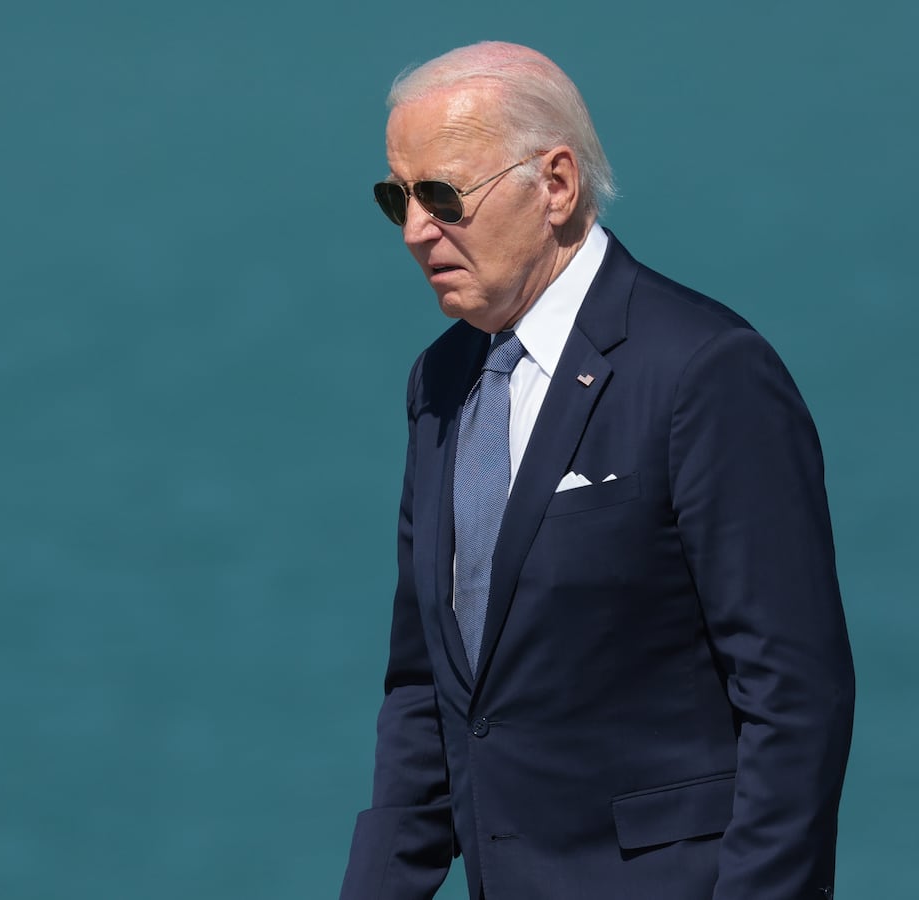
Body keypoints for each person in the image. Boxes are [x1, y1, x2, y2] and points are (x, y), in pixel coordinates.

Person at [339, 42, 854, 900]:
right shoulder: (439, 381)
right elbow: (429, 689)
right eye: (398, 197)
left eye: (443, 195)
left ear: (557, 185)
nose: (415, 230)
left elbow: (794, 697)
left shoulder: (704, 371)